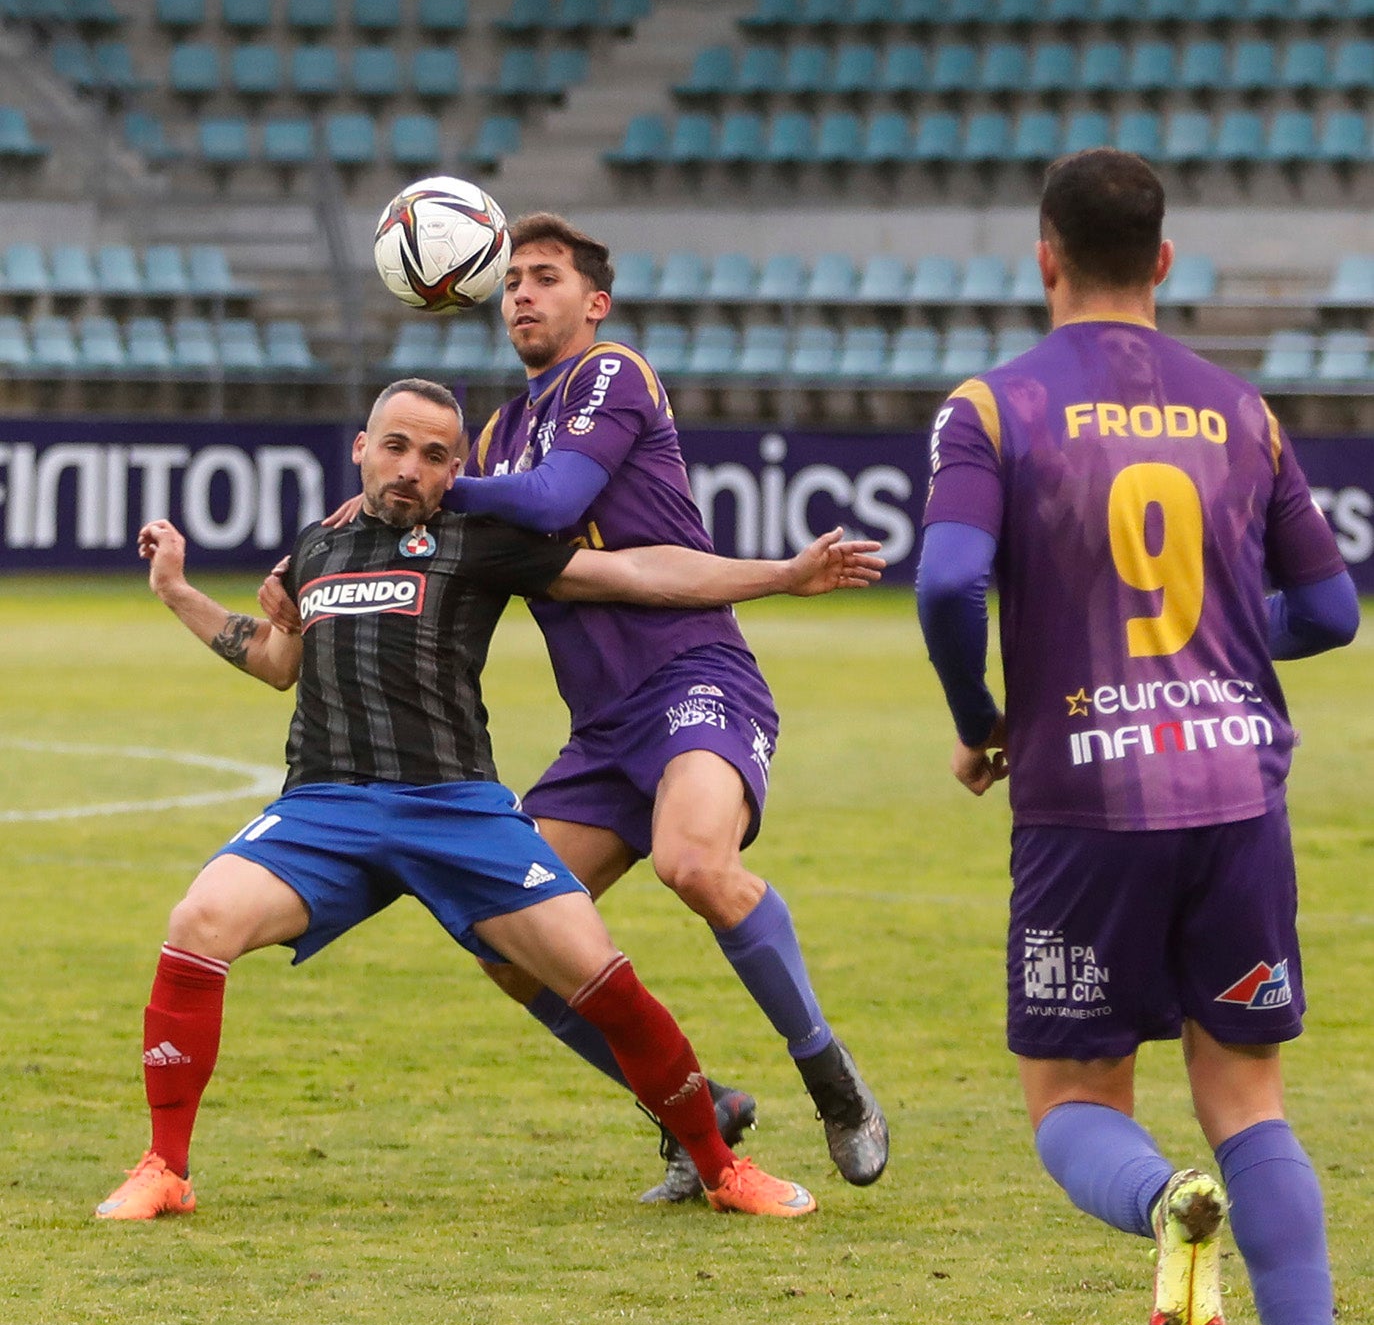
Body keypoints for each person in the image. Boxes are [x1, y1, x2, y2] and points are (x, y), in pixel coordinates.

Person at [95, 377, 883, 1223]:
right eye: (395, 446)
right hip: (325, 808)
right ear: (360, 448)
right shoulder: (315, 550)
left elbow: (636, 574)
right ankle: (165, 1170)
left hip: (456, 810)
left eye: (435, 456)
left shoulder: (476, 542)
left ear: (456, 471)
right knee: (197, 923)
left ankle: (722, 1165)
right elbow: (280, 662)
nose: (411, 468)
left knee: (596, 971)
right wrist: (179, 591)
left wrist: (782, 574)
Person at [270, 214, 889, 1204]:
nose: (521, 292)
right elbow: (450, 558)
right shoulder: (497, 434)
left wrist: (435, 480)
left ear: (592, 303)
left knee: (695, 862)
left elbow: (558, 502)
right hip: (602, 729)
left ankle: (830, 1075)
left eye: (545, 277)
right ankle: (698, 1115)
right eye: (510, 279)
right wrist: (373, 521)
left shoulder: (613, 377)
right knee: (505, 946)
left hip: (694, 677)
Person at [917, 148, 1358, 1325]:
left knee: (1068, 1103)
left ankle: (1166, 1200)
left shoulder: (993, 407)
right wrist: (1213, 664)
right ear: (1165, 261)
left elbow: (950, 581)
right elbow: (1328, 610)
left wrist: (984, 715)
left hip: (1088, 800)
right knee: (1250, 1095)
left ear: (1043, 256)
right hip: (1236, 792)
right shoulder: (1243, 409)